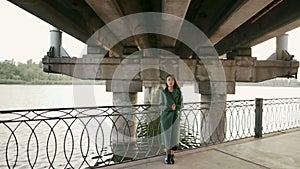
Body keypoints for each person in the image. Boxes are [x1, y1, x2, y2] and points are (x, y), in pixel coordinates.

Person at [159, 74, 183, 164]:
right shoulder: (163, 92)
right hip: (165, 117)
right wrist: (169, 107)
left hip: (175, 117)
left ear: (174, 81)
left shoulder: (178, 92)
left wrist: (176, 107)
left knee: (174, 136)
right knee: (166, 136)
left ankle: (172, 156)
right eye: (169, 80)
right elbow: (161, 105)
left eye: (172, 80)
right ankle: (167, 156)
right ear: (166, 81)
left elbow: (181, 104)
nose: (170, 81)